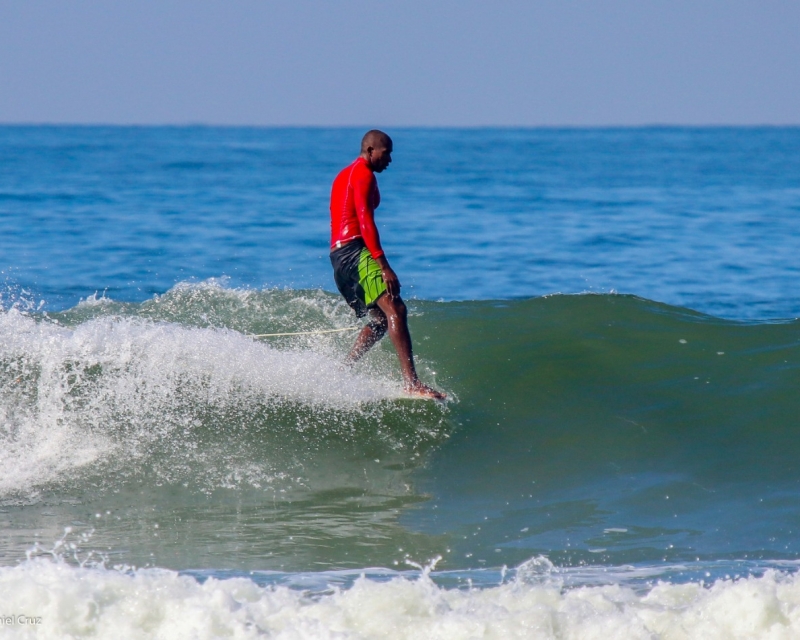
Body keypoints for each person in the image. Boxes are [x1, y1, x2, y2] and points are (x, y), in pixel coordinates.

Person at [329, 130, 445, 400]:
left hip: (339, 257)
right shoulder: (362, 174)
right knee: (397, 307)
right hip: (355, 250)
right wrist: (383, 265)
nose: (390, 158)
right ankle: (412, 383)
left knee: (381, 320)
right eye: (386, 152)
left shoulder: (345, 174)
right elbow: (365, 221)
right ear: (370, 150)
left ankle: (342, 370)